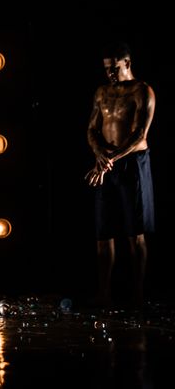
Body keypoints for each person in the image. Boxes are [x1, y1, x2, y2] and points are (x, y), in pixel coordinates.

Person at [84, 42, 155, 308]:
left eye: (114, 67)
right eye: (106, 69)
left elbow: (139, 136)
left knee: (135, 233)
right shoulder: (102, 92)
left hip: (132, 163)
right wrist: (100, 155)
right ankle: (104, 293)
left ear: (127, 62)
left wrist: (109, 159)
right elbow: (91, 128)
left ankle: (138, 293)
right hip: (105, 163)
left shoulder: (142, 91)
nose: (110, 73)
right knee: (103, 233)